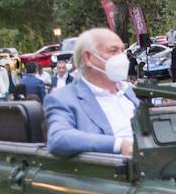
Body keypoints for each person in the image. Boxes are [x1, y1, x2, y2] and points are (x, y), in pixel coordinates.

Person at [45, 27, 138, 157]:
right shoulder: (63, 99)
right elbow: (58, 138)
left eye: (122, 51)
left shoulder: (131, 91)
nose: (122, 57)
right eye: (113, 51)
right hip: (114, 171)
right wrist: (120, 145)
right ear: (88, 58)